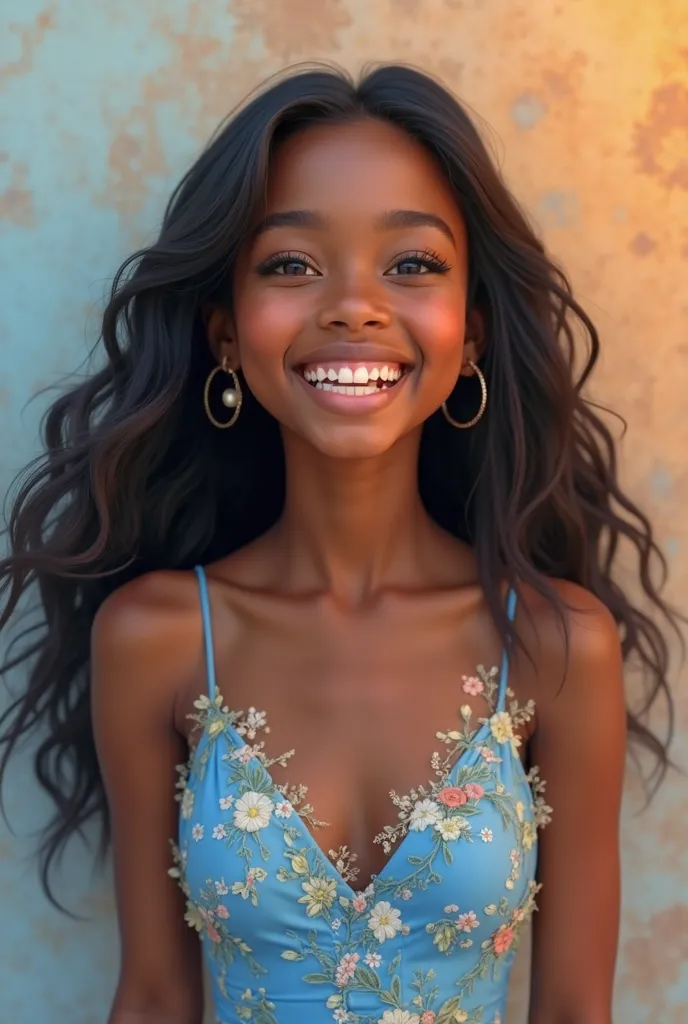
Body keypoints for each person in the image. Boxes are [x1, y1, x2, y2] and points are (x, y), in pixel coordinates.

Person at [0, 64, 680, 1024]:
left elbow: (575, 1011)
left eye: (411, 264)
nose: (353, 305)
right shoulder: (155, 637)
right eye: (290, 264)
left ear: (472, 333)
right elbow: (153, 997)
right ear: (226, 335)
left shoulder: (559, 645)